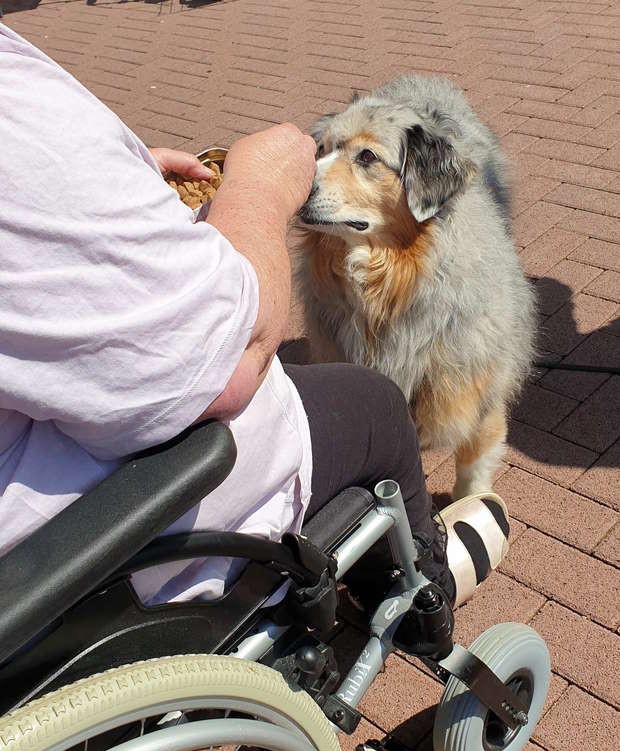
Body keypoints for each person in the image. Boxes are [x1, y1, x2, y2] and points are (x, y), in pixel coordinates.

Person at [0, 22, 508, 609]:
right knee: (375, 404)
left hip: (45, 483)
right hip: (70, 535)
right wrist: (260, 194)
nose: (320, 173)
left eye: (365, 159)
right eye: (329, 151)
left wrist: (121, 174)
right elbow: (216, 360)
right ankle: (423, 594)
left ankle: (461, 495)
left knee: (466, 399)